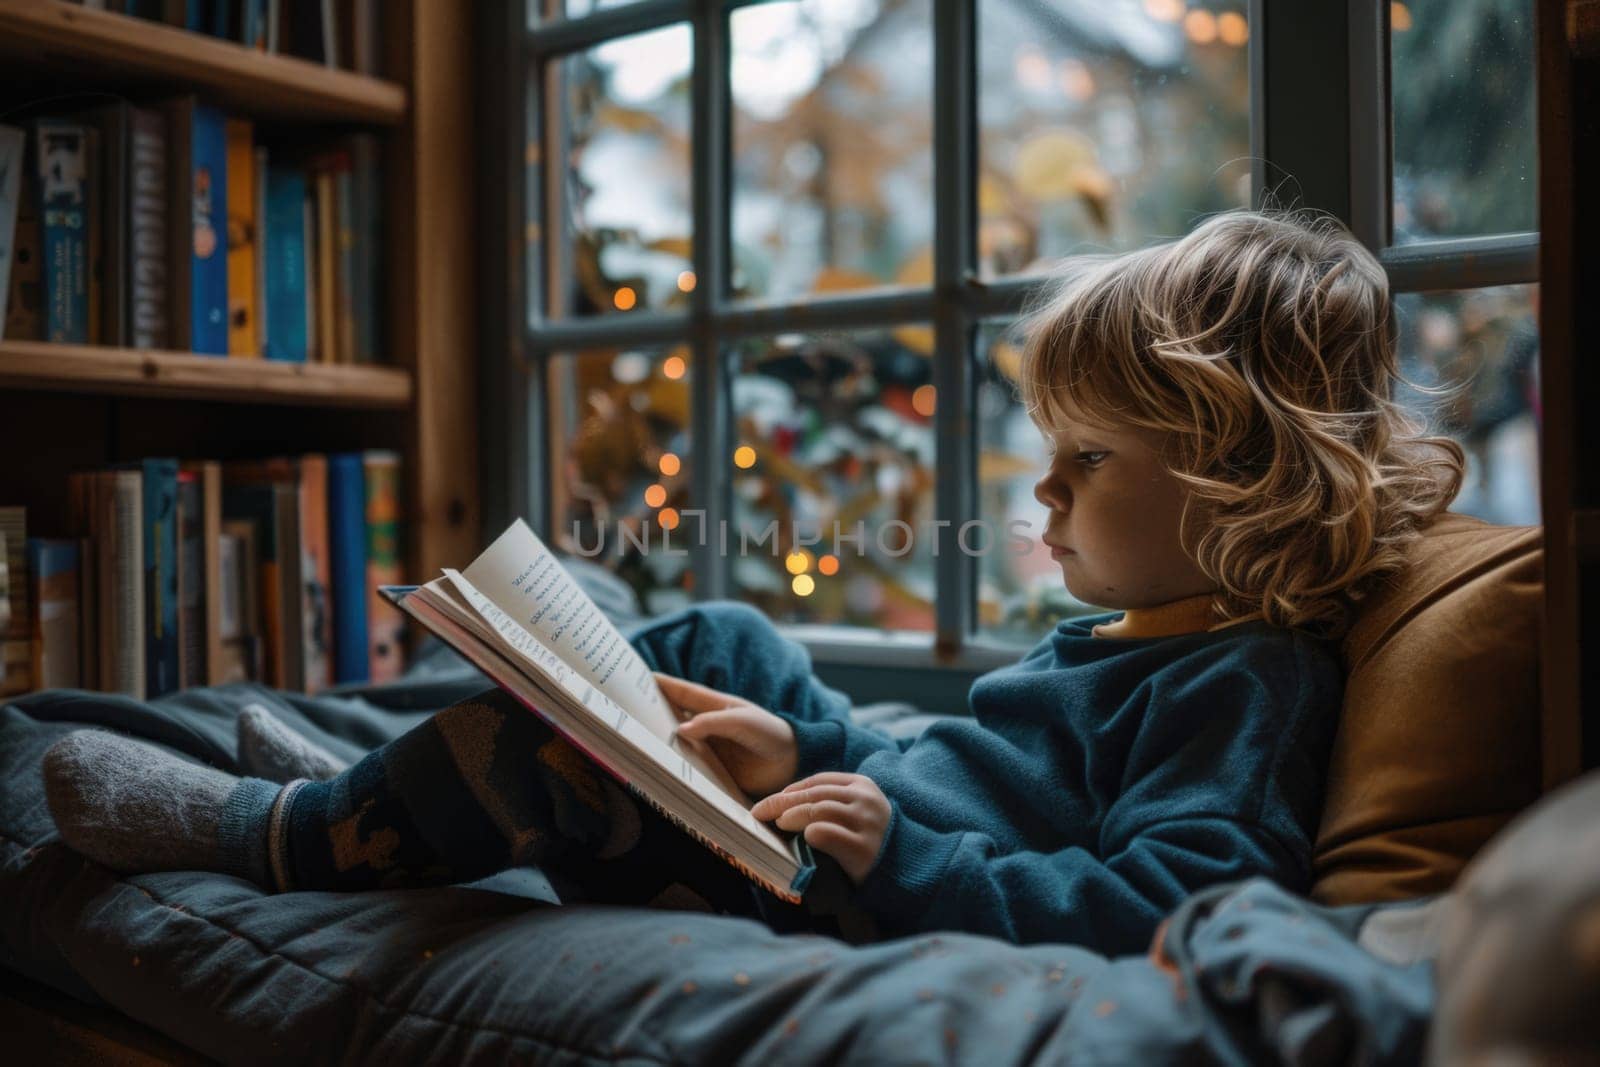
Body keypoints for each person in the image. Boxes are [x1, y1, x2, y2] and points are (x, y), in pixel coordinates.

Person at [41, 210, 1464, 955]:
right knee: (723, 635)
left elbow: (1178, 903)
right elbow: (974, 772)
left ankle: (284, 837)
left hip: (858, 897)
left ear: (1236, 480)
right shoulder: (1145, 632)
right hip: (857, 829)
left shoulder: (1246, 683)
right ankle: (386, 804)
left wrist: (898, 859)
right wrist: (816, 748)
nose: (1045, 490)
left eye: (1088, 460)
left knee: (569, 750)